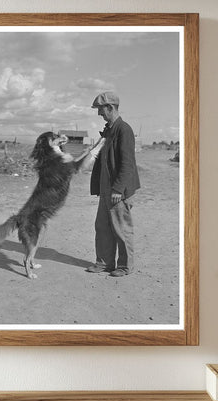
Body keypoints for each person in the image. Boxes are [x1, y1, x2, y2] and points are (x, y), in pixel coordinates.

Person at [86, 92, 140, 277]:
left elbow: (127, 163)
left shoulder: (124, 130)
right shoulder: (109, 130)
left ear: (110, 107)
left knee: (121, 228)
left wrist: (118, 189)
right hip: (105, 189)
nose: (99, 114)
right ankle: (104, 263)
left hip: (117, 190)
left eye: (101, 110)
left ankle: (124, 266)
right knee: (102, 226)